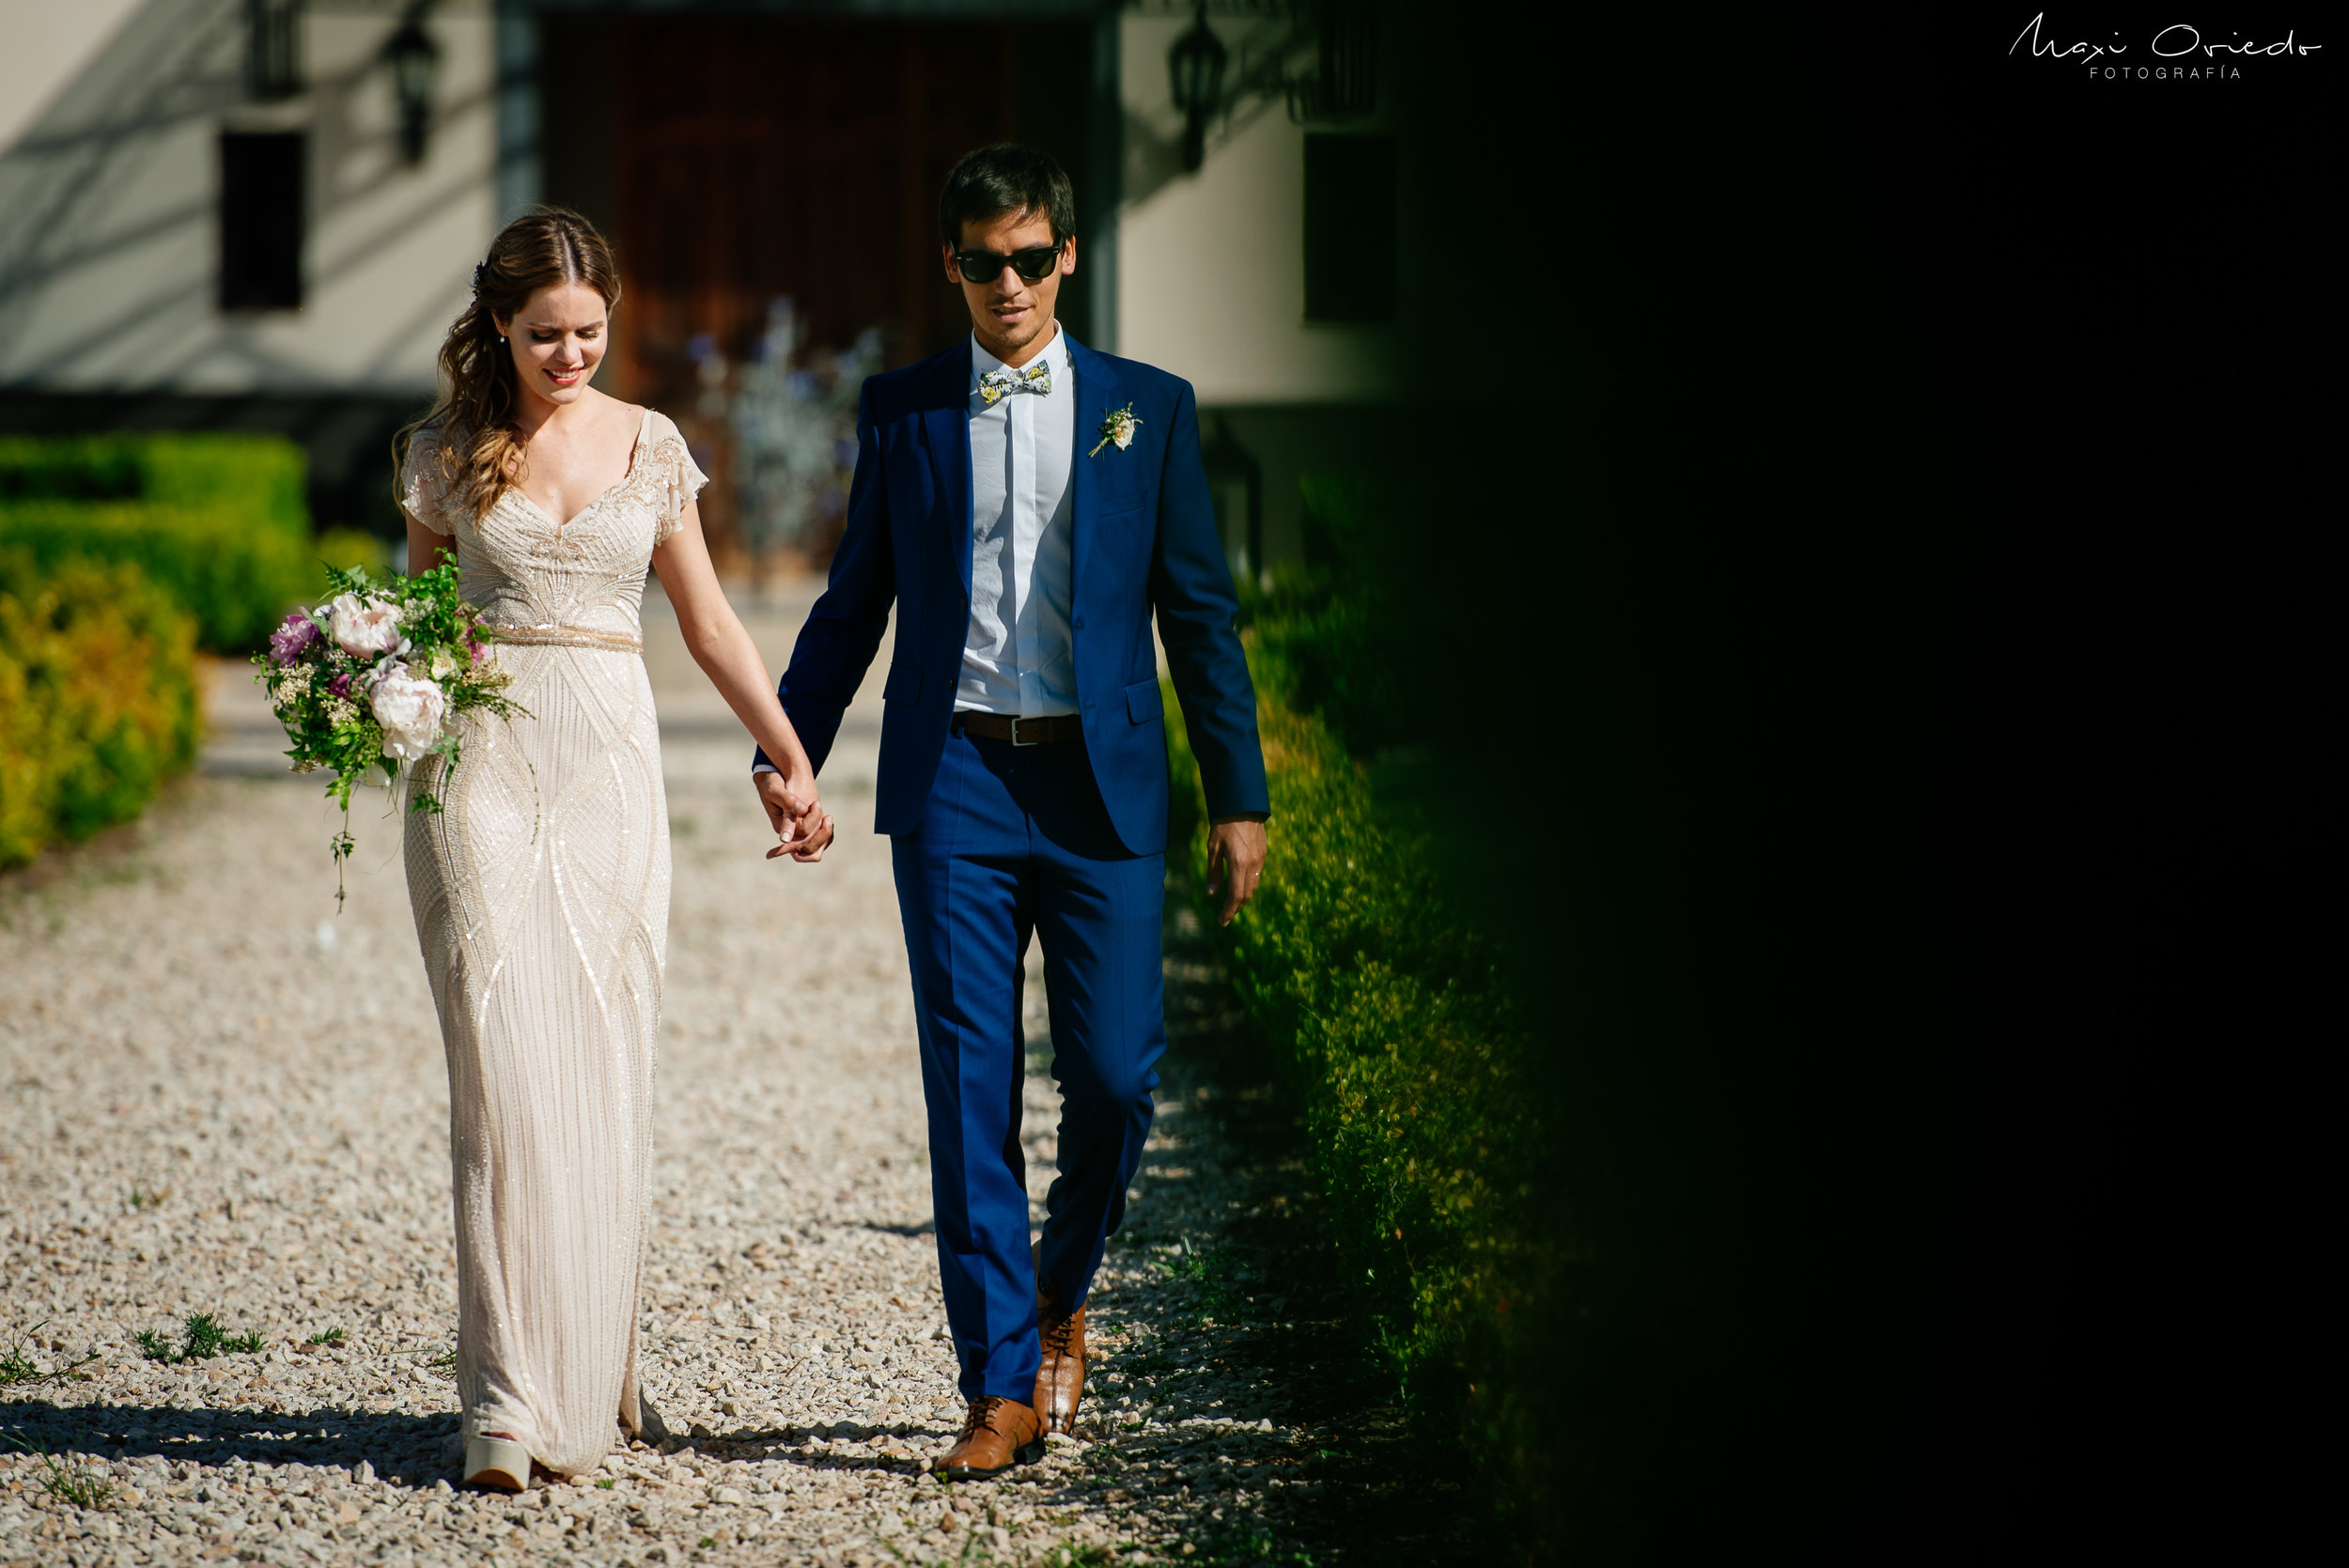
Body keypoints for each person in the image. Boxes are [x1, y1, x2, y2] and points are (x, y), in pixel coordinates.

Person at [753, 145, 1270, 1478]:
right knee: (969, 1087)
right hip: (958, 783)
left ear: (1068, 258)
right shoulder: (906, 410)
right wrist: (787, 747)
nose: (1009, 284)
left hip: (1104, 790)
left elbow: (1201, 620)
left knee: (1115, 1074)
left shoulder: (1147, 410)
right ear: (952, 267)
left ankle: (1059, 1285)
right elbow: (855, 599)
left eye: (1030, 258)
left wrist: (1238, 799)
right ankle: (999, 1386)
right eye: (983, 261)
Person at [398, 209, 831, 1491]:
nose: (571, 353)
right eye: (546, 335)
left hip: (611, 763)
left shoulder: (653, 446)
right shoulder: (443, 450)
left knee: (601, 1053)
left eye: (590, 330)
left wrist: (789, 752)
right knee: (501, 1061)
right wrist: (381, 690)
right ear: (499, 327)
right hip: (479, 759)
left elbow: (706, 625)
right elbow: (415, 616)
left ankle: (598, 1359)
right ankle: (502, 1400)